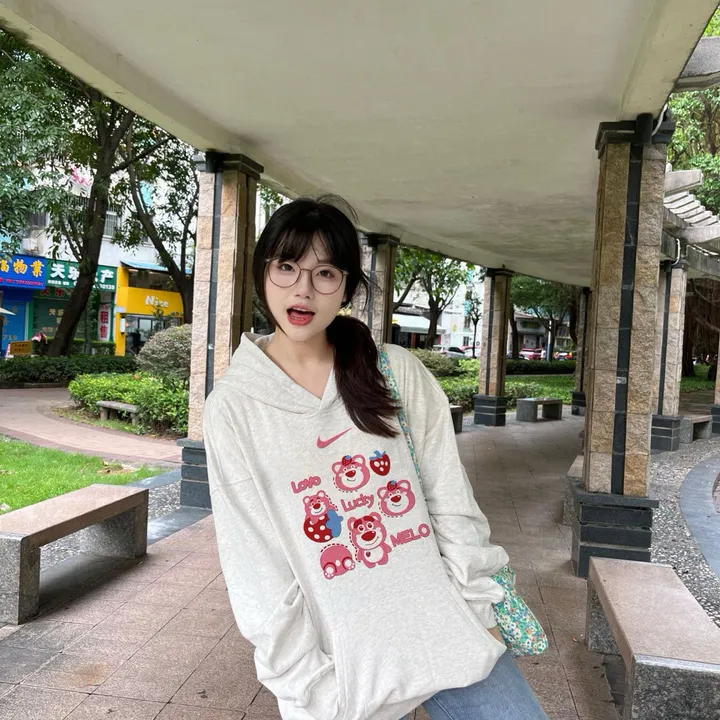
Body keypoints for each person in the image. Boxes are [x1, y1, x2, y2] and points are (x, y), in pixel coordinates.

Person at [203, 196, 548, 720]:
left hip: (448, 628)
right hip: (343, 670)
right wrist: (307, 684)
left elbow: (450, 501)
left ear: (346, 286)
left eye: (325, 273)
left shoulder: (395, 372)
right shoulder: (233, 409)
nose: (302, 289)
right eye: (287, 267)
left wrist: (480, 607)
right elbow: (254, 565)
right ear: (261, 273)